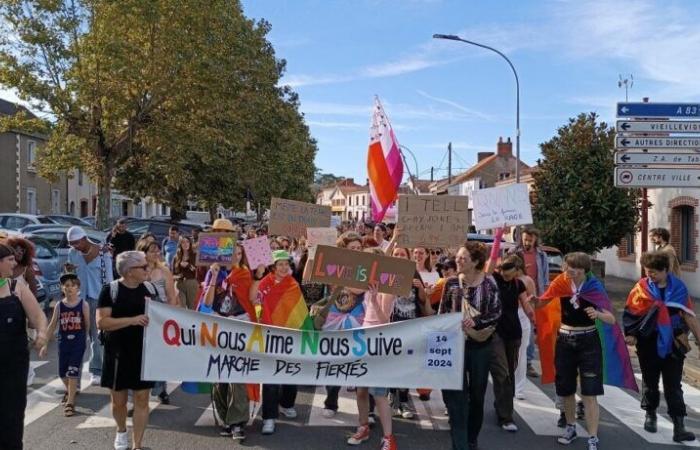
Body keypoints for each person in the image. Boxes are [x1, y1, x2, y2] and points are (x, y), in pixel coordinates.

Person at [532, 252, 633, 450]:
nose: (570, 270)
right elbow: (542, 302)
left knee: (590, 392)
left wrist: (597, 313)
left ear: (584, 270)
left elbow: (611, 319)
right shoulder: (560, 283)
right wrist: (534, 300)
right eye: (568, 266)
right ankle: (570, 427)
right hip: (565, 340)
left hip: (588, 341)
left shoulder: (594, 287)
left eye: (575, 268)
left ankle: (593, 436)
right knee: (566, 389)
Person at [624, 251, 700, 442]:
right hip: (648, 341)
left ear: (666, 270)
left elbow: (689, 315)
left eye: (654, 272)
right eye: (647, 271)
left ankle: (679, 425)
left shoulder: (679, 288)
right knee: (650, 382)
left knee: (673, 385)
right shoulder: (640, 288)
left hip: (673, 342)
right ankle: (650, 414)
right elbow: (631, 312)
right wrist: (631, 334)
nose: (650, 275)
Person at [438, 241, 502, 450]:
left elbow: (496, 313)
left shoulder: (489, 284)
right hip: (455, 346)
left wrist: (476, 321)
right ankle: (460, 443)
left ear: (475, 262)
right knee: (456, 396)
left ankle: (471, 437)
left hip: (480, 346)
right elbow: (443, 313)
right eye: (458, 257)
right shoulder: (451, 283)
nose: (458, 260)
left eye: (463, 258)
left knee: (477, 394)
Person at [97, 251, 156, 450]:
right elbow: (102, 322)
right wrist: (132, 320)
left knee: (142, 399)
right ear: (130, 271)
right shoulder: (110, 290)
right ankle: (121, 431)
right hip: (117, 353)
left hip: (143, 353)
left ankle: (137, 444)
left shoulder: (149, 289)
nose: (148, 269)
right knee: (119, 401)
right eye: (143, 266)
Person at [202, 242, 257, 442]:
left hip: (240, 324)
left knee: (237, 374)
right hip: (219, 323)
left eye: (239, 253)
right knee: (220, 374)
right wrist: (214, 276)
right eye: (232, 253)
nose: (236, 256)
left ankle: (237, 421)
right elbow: (207, 303)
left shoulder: (245, 273)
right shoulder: (215, 273)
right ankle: (226, 417)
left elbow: (251, 297)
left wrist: (259, 275)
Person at [251, 249, 309, 435]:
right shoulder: (264, 283)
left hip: (290, 336)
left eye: (286, 264)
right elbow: (256, 303)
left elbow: (299, 310)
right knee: (270, 378)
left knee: (291, 373)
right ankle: (269, 417)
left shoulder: (293, 284)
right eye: (280, 264)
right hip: (270, 335)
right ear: (273, 267)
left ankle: (287, 404)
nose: (284, 267)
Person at [0, 243, 48, 449]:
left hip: (13, 364)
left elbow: (38, 315)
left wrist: (42, 332)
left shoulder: (16, 286)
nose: (14, 263)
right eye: (9, 260)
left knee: (12, 414)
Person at [486, 250, 532, 432]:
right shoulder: (494, 280)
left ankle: (502, 406)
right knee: (502, 372)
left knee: (510, 374)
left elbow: (526, 304)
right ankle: (506, 417)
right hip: (496, 332)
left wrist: (533, 313)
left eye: (509, 270)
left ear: (517, 270)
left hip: (514, 333)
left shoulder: (519, 284)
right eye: (503, 269)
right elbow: (489, 269)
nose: (505, 273)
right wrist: (497, 238)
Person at [385, 246, 432, 420]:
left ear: (408, 257)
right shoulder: (387, 273)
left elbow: (422, 301)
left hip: (411, 326)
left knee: (406, 365)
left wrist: (420, 288)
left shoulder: (414, 273)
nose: (399, 256)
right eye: (395, 254)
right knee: (391, 363)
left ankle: (403, 400)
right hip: (391, 325)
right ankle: (391, 393)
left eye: (402, 254)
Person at [351, 279, 396, 450]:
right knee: (360, 389)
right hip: (363, 340)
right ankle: (363, 427)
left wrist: (375, 299)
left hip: (380, 342)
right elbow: (348, 285)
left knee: (378, 392)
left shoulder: (388, 290)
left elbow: (385, 320)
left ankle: (388, 438)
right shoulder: (366, 286)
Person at [65, 225, 113, 386]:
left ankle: (97, 370)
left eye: (76, 242)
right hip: (78, 299)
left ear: (85, 238)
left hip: (97, 298)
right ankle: (74, 379)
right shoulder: (72, 253)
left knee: (96, 336)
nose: (74, 246)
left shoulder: (102, 252)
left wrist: (109, 300)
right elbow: (70, 276)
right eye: (71, 243)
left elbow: (109, 279)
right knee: (77, 338)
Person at [40, 272, 89, 417]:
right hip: (64, 342)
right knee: (63, 372)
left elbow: (86, 324)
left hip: (78, 342)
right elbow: (52, 325)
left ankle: (70, 402)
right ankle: (70, 390)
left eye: (72, 285)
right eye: (66, 286)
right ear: (62, 288)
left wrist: (84, 340)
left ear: (78, 287)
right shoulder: (60, 306)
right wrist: (45, 344)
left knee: (73, 371)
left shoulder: (83, 304)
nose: (69, 288)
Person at [137, 239, 178, 405]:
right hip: (140, 315)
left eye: (158, 251)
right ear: (144, 252)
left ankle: (161, 389)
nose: (156, 254)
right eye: (152, 250)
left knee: (159, 353)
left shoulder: (164, 271)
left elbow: (170, 296)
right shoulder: (137, 271)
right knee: (140, 355)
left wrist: (169, 317)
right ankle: (141, 394)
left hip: (159, 315)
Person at [508, 227, 549, 378]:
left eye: (530, 240)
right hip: (514, 295)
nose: (527, 242)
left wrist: (543, 298)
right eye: (525, 239)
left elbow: (544, 278)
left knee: (530, 329)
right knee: (513, 327)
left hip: (532, 297)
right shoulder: (513, 253)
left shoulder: (542, 256)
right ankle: (513, 360)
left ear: (535, 240)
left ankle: (528, 363)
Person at [512, 256, 537, 400]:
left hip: (523, 317)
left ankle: (519, 388)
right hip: (509, 316)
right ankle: (509, 385)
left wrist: (534, 325)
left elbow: (533, 304)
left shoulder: (528, 281)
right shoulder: (506, 280)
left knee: (521, 354)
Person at [172, 237, 198, 309]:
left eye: (187, 242)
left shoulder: (195, 255)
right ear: (180, 244)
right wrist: (177, 276)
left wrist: (188, 265)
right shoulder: (176, 257)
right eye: (183, 242)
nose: (185, 244)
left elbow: (197, 271)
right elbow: (172, 274)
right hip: (179, 284)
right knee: (181, 308)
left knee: (191, 308)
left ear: (190, 243)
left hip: (191, 283)